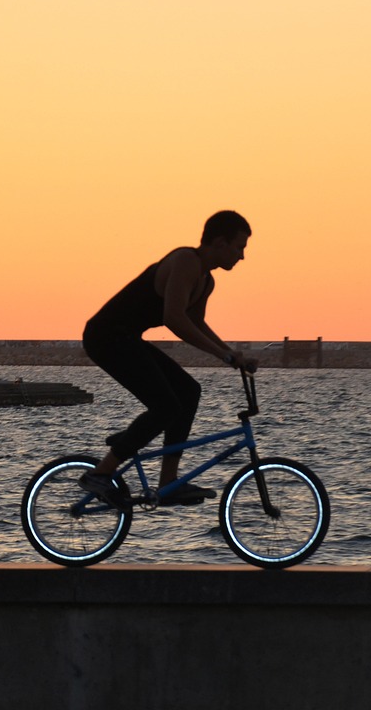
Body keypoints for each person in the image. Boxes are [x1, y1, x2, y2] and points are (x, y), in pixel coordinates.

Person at [79, 211, 256, 508]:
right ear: (220, 242)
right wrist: (222, 355)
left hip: (127, 338)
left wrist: (231, 353)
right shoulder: (186, 261)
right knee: (165, 406)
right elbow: (173, 318)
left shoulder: (206, 280)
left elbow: (196, 322)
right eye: (240, 247)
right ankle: (100, 473)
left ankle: (167, 483)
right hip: (105, 337)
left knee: (189, 392)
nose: (242, 257)